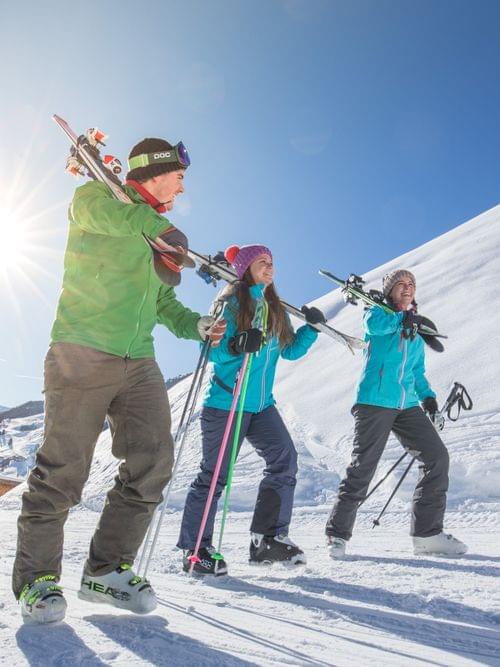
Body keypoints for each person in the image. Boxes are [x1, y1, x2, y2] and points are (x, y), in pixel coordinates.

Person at [12, 137, 226, 623]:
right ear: (155, 171)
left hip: (139, 361)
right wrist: (157, 227)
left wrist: (195, 325)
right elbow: (117, 218)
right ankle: (38, 581)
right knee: (63, 470)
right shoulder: (96, 200)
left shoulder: (154, 231)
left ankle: (105, 572)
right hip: (81, 352)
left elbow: (163, 305)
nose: (183, 184)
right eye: (179, 175)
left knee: (153, 462)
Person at [177, 244, 325, 575]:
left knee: (284, 459)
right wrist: (234, 345)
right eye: (262, 262)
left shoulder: (275, 309)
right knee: (214, 475)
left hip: (260, 406)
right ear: (245, 268)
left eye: (272, 262)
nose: (270, 267)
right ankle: (195, 548)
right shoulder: (229, 304)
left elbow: (289, 351)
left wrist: (310, 330)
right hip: (226, 403)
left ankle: (266, 541)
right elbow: (210, 352)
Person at [325, 269, 467, 559]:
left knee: (437, 457)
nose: (407, 288)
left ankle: (427, 535)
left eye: (412, 284)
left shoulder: (413, 331)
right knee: (363, 466)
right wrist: (402, 318)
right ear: (389, 290)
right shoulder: (376, 313)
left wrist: (429, 400)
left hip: (407, 405)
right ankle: (337, 535)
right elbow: (375, 327)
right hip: (375, 401)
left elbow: (416, 372)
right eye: (401, 284)